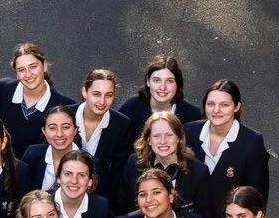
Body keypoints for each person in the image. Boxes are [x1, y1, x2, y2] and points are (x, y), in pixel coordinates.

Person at [185, 79, 270, 218]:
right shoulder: (189, 131)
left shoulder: (252, 142)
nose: (216, 110)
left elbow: (257, 195)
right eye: (211, 104)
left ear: (236, 107)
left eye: (224, 105)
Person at [118, 111, 211, 218]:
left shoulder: (199, 171)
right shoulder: (133, 163)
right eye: (156, 136)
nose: (163, 141)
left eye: (169, 135)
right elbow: (124, 208)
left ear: (179, 138)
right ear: (149, 140)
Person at [0, 43, 72, 154]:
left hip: (36, 165)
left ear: (44, 66)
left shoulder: (64, 105)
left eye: (33, 67)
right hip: (2, 162)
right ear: (16, 74)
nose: (28, 74)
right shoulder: (4, 89)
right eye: (21, 69)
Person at [116, 55, 204, 148]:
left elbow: (192, 151)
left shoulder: (192, 114)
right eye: (156, 80)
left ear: (178, 84)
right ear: (148, 81)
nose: (162, 87)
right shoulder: (131, 108)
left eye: (169, 81)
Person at [72, 69, 134, 197]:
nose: (102, 101)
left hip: (101, 195)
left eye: (108, 95)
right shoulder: (65, 116)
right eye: (96, 94)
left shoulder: (121, 125)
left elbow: (117, 174)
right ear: (84, 92)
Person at [52, 150, 113, 218]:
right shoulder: (41, 203)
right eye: (68, 174)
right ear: (58, 178)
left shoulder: (101, 207)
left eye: (81, 175)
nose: (74, 181)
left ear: (90, 181)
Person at [20, 105, 79, 193]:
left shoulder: (92, 163)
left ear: (75, 130)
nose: (59, 134)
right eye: (52, 128)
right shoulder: (32, 154)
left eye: (66, 127)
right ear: (44, 131)